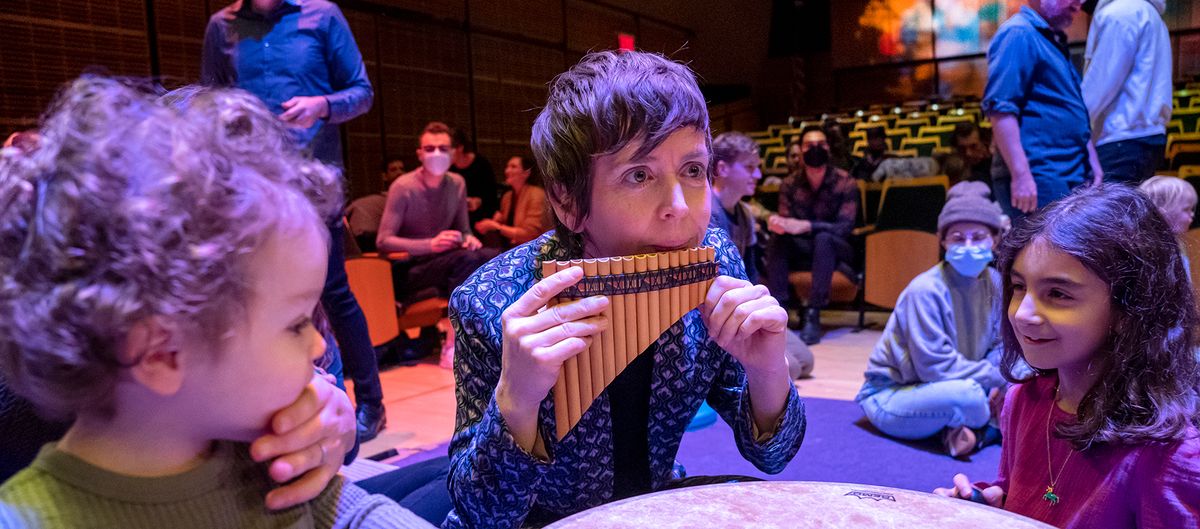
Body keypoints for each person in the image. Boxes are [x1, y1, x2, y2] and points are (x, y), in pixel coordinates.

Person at [0, 78, 431, 528]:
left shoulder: (252, 453)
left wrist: (325, 426)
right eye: (295, 324)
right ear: (162, 352)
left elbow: (352, 512)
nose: (319, 345)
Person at [444, 50, 806, 529]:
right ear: (567, 201)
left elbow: (774, 456)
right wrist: (516, 402)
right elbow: (484, 514)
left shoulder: (715, 261)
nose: (679, 206)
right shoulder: (489, 301)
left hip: (653, 505)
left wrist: (767, 369)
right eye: (639, 175)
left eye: (693, 170)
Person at [934, 185, 1200, 527]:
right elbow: (1019, 496)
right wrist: (983, 505)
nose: (1022, 314)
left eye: (1057, 293)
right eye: (1019, 287)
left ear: (1130, 309)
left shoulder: (1171, 457)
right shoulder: (1023, 400)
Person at [201, 0, 387, 442]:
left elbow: (361, 92)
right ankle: (291, 403)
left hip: (313, 185)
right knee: (259, 297)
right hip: (251, 190)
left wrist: (322, 104)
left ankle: (370, 403)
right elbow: (208, 108)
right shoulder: (221, 26)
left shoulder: (322, 15)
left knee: (333, 292)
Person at [857, 182, 1006, 457]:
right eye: (958, 238)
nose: (969, 246)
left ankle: (962, 428)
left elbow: (1001, 346)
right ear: (943, 241)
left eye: (978, 237)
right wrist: (999, 379)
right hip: (893, 395)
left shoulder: (995, 283)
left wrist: (1006, 380)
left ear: (994, 240)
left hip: (955, 383)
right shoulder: (925, 289)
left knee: (1019, 385)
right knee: (971, 397)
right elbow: (935, 367)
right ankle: (986, 432)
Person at [377, 122, 499, 365]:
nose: (436, 154)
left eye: (443, 149)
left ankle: (488, 337)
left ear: (453, 153)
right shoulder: (403, 187)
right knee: (466, 261)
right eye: (429, 148)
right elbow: (383, 240)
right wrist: (430, 244)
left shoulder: (457, 183)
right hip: (410, 267)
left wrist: (468, 238)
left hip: (444, 260)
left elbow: (464, 229)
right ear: (419, 154)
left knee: (492, 256)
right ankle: (454, 343)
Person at [983, 0, 1103, 218]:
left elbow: (1071, 108)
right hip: (1040, 176)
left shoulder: (1050, 37)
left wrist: (1092, 161)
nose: (1081, 2)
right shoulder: (1018, 33)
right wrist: (1021, 175)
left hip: (1067, 171)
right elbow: (1001, 110)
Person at [711, 131, 814, 379]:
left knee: (805, 361)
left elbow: (750, 274)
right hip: (719, 317)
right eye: (749, 167)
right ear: (722, 169)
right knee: (792, 368)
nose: (757, 175)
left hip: (743, 308)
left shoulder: (745, 214)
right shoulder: (705, 213)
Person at [765, 126, 860, 345]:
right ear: (801, 150)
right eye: (809, 145)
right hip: (802, 250)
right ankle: (780, 308)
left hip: (838, 250)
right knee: (778, 239)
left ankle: (813, 313)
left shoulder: (845, 181)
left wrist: (808, 225)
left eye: (821, 144)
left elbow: (845, 227)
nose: (815, 149)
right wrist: (779, 224)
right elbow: (787, 222)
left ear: (828, 148)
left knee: (823, 238)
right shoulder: (789, 184)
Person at [1082, 0, 1172, 184]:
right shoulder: (1150, 13)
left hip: (1120, 137)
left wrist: (1072, 124)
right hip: (1146, 136)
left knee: (1109, 204)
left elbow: (1101, 81)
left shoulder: (1120, 13)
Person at [474, 155, 550, 249]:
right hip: (513, 248)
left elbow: (530, 234)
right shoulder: (507, 196)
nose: (507, 171)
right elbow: (507, 225)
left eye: (513, 167)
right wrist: (495, 221)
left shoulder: (536, 195)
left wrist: (496, 227)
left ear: (526, 173)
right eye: (507, 167)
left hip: (536, 249)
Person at [1138, 175, 1197, 275]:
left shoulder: (1178, 244)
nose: (1192, 214)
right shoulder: (1151, 253)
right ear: (1163, 212)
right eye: (1186, 209)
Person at [347, 157, 405, 252]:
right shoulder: (379, 200)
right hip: (365, 242)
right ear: (384, 176)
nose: (399, 172)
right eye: (393, 170)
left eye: (402, 169)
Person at [450, 127, 499, 227]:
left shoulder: (481, 164)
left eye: (447, 149)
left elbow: (492, 197)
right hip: (454, 218)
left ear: (460, 148)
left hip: (479, 219)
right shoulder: (446, 168)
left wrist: (478, 201)